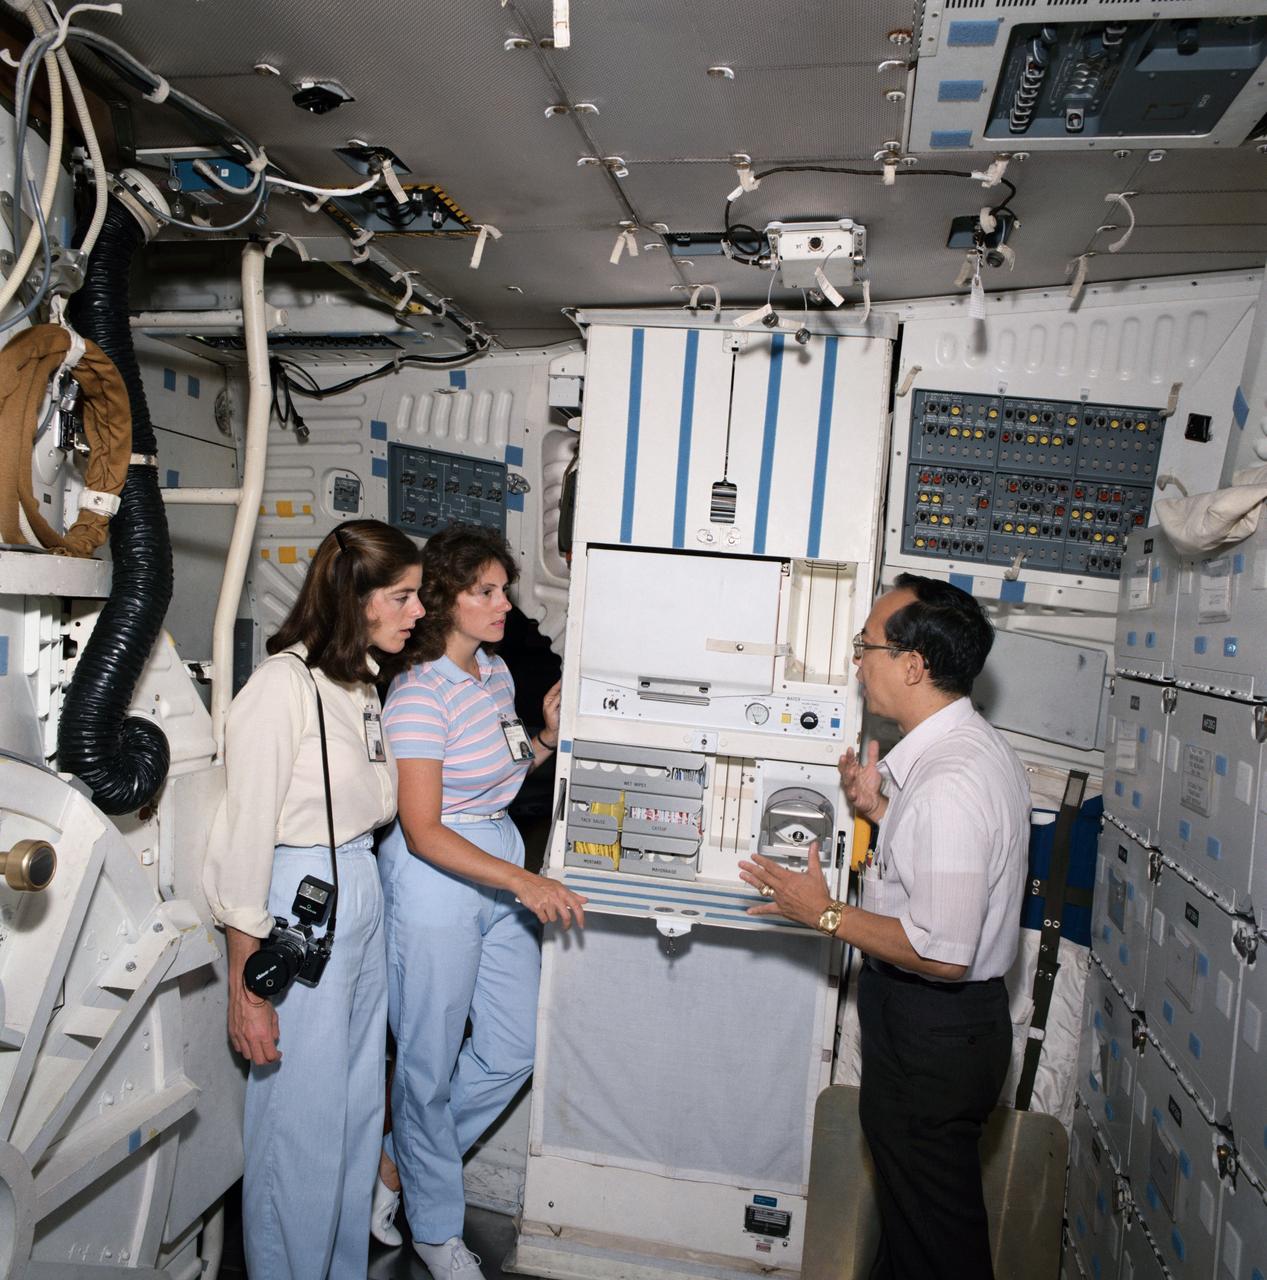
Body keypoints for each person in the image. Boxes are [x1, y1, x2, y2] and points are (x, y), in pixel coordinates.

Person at [739, 573, 1028, 1280]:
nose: (856, 661)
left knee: (936, 1242)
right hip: (934, 1029)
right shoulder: (956, 758)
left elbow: (942, 948)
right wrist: (881, 816)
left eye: (865, 645)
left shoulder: (949, 783)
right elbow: (944, 880)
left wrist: (822, 912)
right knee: (912, 1225)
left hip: (935, 1029)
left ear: (911, 665)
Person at [203, 519, 425, 1280]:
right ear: (352, 597)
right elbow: (242, 840)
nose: (417, 612)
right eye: (401, 597)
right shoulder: (279, 688)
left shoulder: (357, 681)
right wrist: (248, 986)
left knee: (357, 1109)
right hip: (296, 896)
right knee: (299, 1114)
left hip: (356, 882)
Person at [373, 522, 588, 1279]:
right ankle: (435, 1229)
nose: (504, 605)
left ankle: (398, 1161)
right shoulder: (417, 692)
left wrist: (546, 741)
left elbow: (495, 773)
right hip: (436, 875)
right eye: (485, 592)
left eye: (505, 590)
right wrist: (527, 881)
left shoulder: (492, 674)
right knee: (425, 1067)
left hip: (493, 851)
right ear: (442, 601)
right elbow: (424, 828)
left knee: (514, 1045)